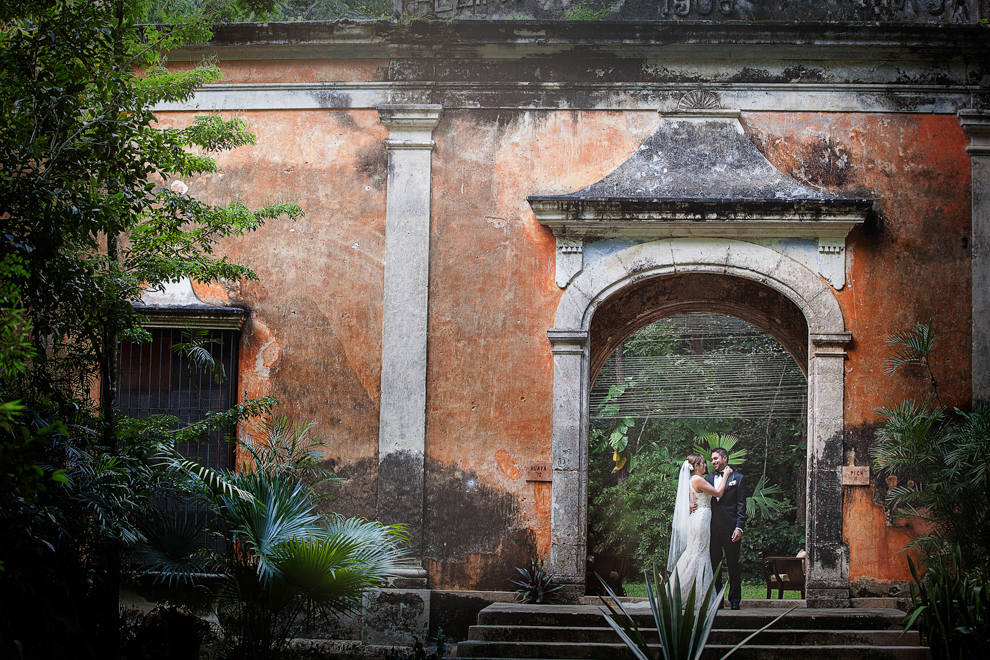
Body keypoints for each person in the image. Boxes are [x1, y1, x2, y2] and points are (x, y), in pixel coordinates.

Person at [667, 453, 733, 607]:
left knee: (696, 552)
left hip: (698, 517)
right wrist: (726, 476)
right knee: (699, 554)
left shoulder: (692, 480)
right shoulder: (697, 479)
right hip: (701, 518)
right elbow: (718, 493)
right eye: (703, 463)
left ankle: (693, 593)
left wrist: (690, 503)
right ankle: (695, 596)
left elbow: (689, 498)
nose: (706, 465)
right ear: (696, 466)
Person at [706, 447, 747, 610]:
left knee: (733, 564)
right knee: (714, 564)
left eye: (716, 458)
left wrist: (739, 527)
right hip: (712, 528)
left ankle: (735, 599)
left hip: (731, 528)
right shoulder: (707, 478)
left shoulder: (739, 478)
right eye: (712, 459)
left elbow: (741, 505)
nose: (713, 462)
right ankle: (718, 600)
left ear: (725, 458)